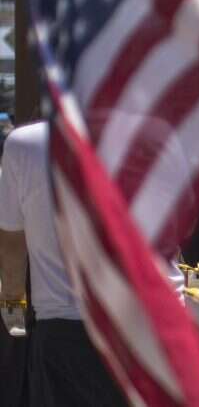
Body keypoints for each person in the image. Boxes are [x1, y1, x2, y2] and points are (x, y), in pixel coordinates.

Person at [0, 122, 127, 407]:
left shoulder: (24, 145)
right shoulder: (155, 133)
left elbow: (11, 249)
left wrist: (13, 317)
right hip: (139, 333)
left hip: (63, 333)